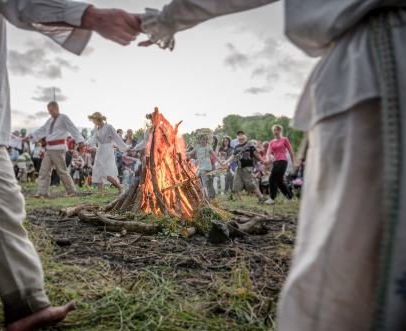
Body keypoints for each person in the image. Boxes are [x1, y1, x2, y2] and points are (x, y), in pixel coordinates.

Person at [138, 1, 406, 330]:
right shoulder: (229, 144)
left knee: (364, 252)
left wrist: (169, 18)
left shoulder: (255, 142)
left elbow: (275, 150)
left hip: (382, 67)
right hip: (361, 67)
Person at [0, 1, 141, 329]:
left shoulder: (68, 119)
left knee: (5, 210)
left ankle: (26, 302)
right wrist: (92, 16)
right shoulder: (49, 121)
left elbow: (73, 131)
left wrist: (81, 141)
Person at [26, 101, 86, 198]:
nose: (50, 113)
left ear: (57, 109)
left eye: (52, 110)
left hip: (59, 148)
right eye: (49, 111)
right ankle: (42, 192)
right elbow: (42, 130)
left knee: (61, 169)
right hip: (49, 148)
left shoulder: (63, 118)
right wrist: (32, 136)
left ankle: (71, 190)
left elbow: (72, 128)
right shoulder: (50, 121)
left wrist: (80, 140)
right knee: (44, 169)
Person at [87, 112, 129, 196]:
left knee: (106, 171)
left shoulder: (109, 127)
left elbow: (117, 138)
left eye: (94, 119)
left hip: (107, 150)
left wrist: (125, 148)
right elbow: (93, 139)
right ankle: (100, 193)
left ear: (98, 118)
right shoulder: (97, 129)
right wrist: (86, 143)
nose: (93, 121)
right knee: (97, 170)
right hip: (100, 150)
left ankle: (119, 186)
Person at [223, 131, 267, 203]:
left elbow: (255, 153)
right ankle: (238, 199)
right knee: (236, 183)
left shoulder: (250, 144)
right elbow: (233, 156)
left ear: (245, 136)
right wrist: (225, 162)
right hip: (239, 167)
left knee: (250, 183)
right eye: (238, 135)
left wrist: (263, 160)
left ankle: (261, 197)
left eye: (242, 134)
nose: (240, 136)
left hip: (248, 167)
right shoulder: (237, 147)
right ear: (237, 138)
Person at [264, 125, 295, 204]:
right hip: (276, 161)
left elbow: (291, 152)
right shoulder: (271, 142)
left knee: (272, 178)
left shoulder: (285, 139)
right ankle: (290, 197)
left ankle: (272, 198)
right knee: (279, 181)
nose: (276, 131)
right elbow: (268, 153)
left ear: (280, 131)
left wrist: (293, 163)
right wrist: (267, 159)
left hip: (283, 161)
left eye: (277, 130)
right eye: (274, 130)